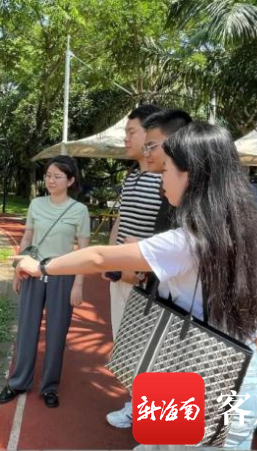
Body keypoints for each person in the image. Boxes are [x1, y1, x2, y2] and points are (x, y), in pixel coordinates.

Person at [13, 122, 257, 448]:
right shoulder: (239, 227)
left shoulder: (190, 239)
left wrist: (41, 266)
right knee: (161, 441)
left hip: (207, 376)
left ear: (191, 174)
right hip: (225, 365)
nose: (160, 178)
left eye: (166, 169)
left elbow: (97, 257)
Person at [0, 155, 90, 408]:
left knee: (57, 333)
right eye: (48, 175)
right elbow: (27, 239)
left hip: (63, 275)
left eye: (57, 176)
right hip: (33, 270)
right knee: (26, 329)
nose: (50, 180)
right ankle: (18, 382)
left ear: (70, 180)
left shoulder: (79, 210)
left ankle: (50, 386)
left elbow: (83, 252)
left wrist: (78, 284)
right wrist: (18, 268)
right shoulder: (36, 204)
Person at [106, 104, 163, 341]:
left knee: (141, 353)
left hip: (145, 283)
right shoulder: (132, 176)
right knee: (120, 346)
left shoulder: (165, 179)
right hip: (120, 276)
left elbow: (168, 232)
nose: (126, 139)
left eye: (132, 132)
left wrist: (140, 271)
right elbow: (122, 219)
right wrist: (109, 261)